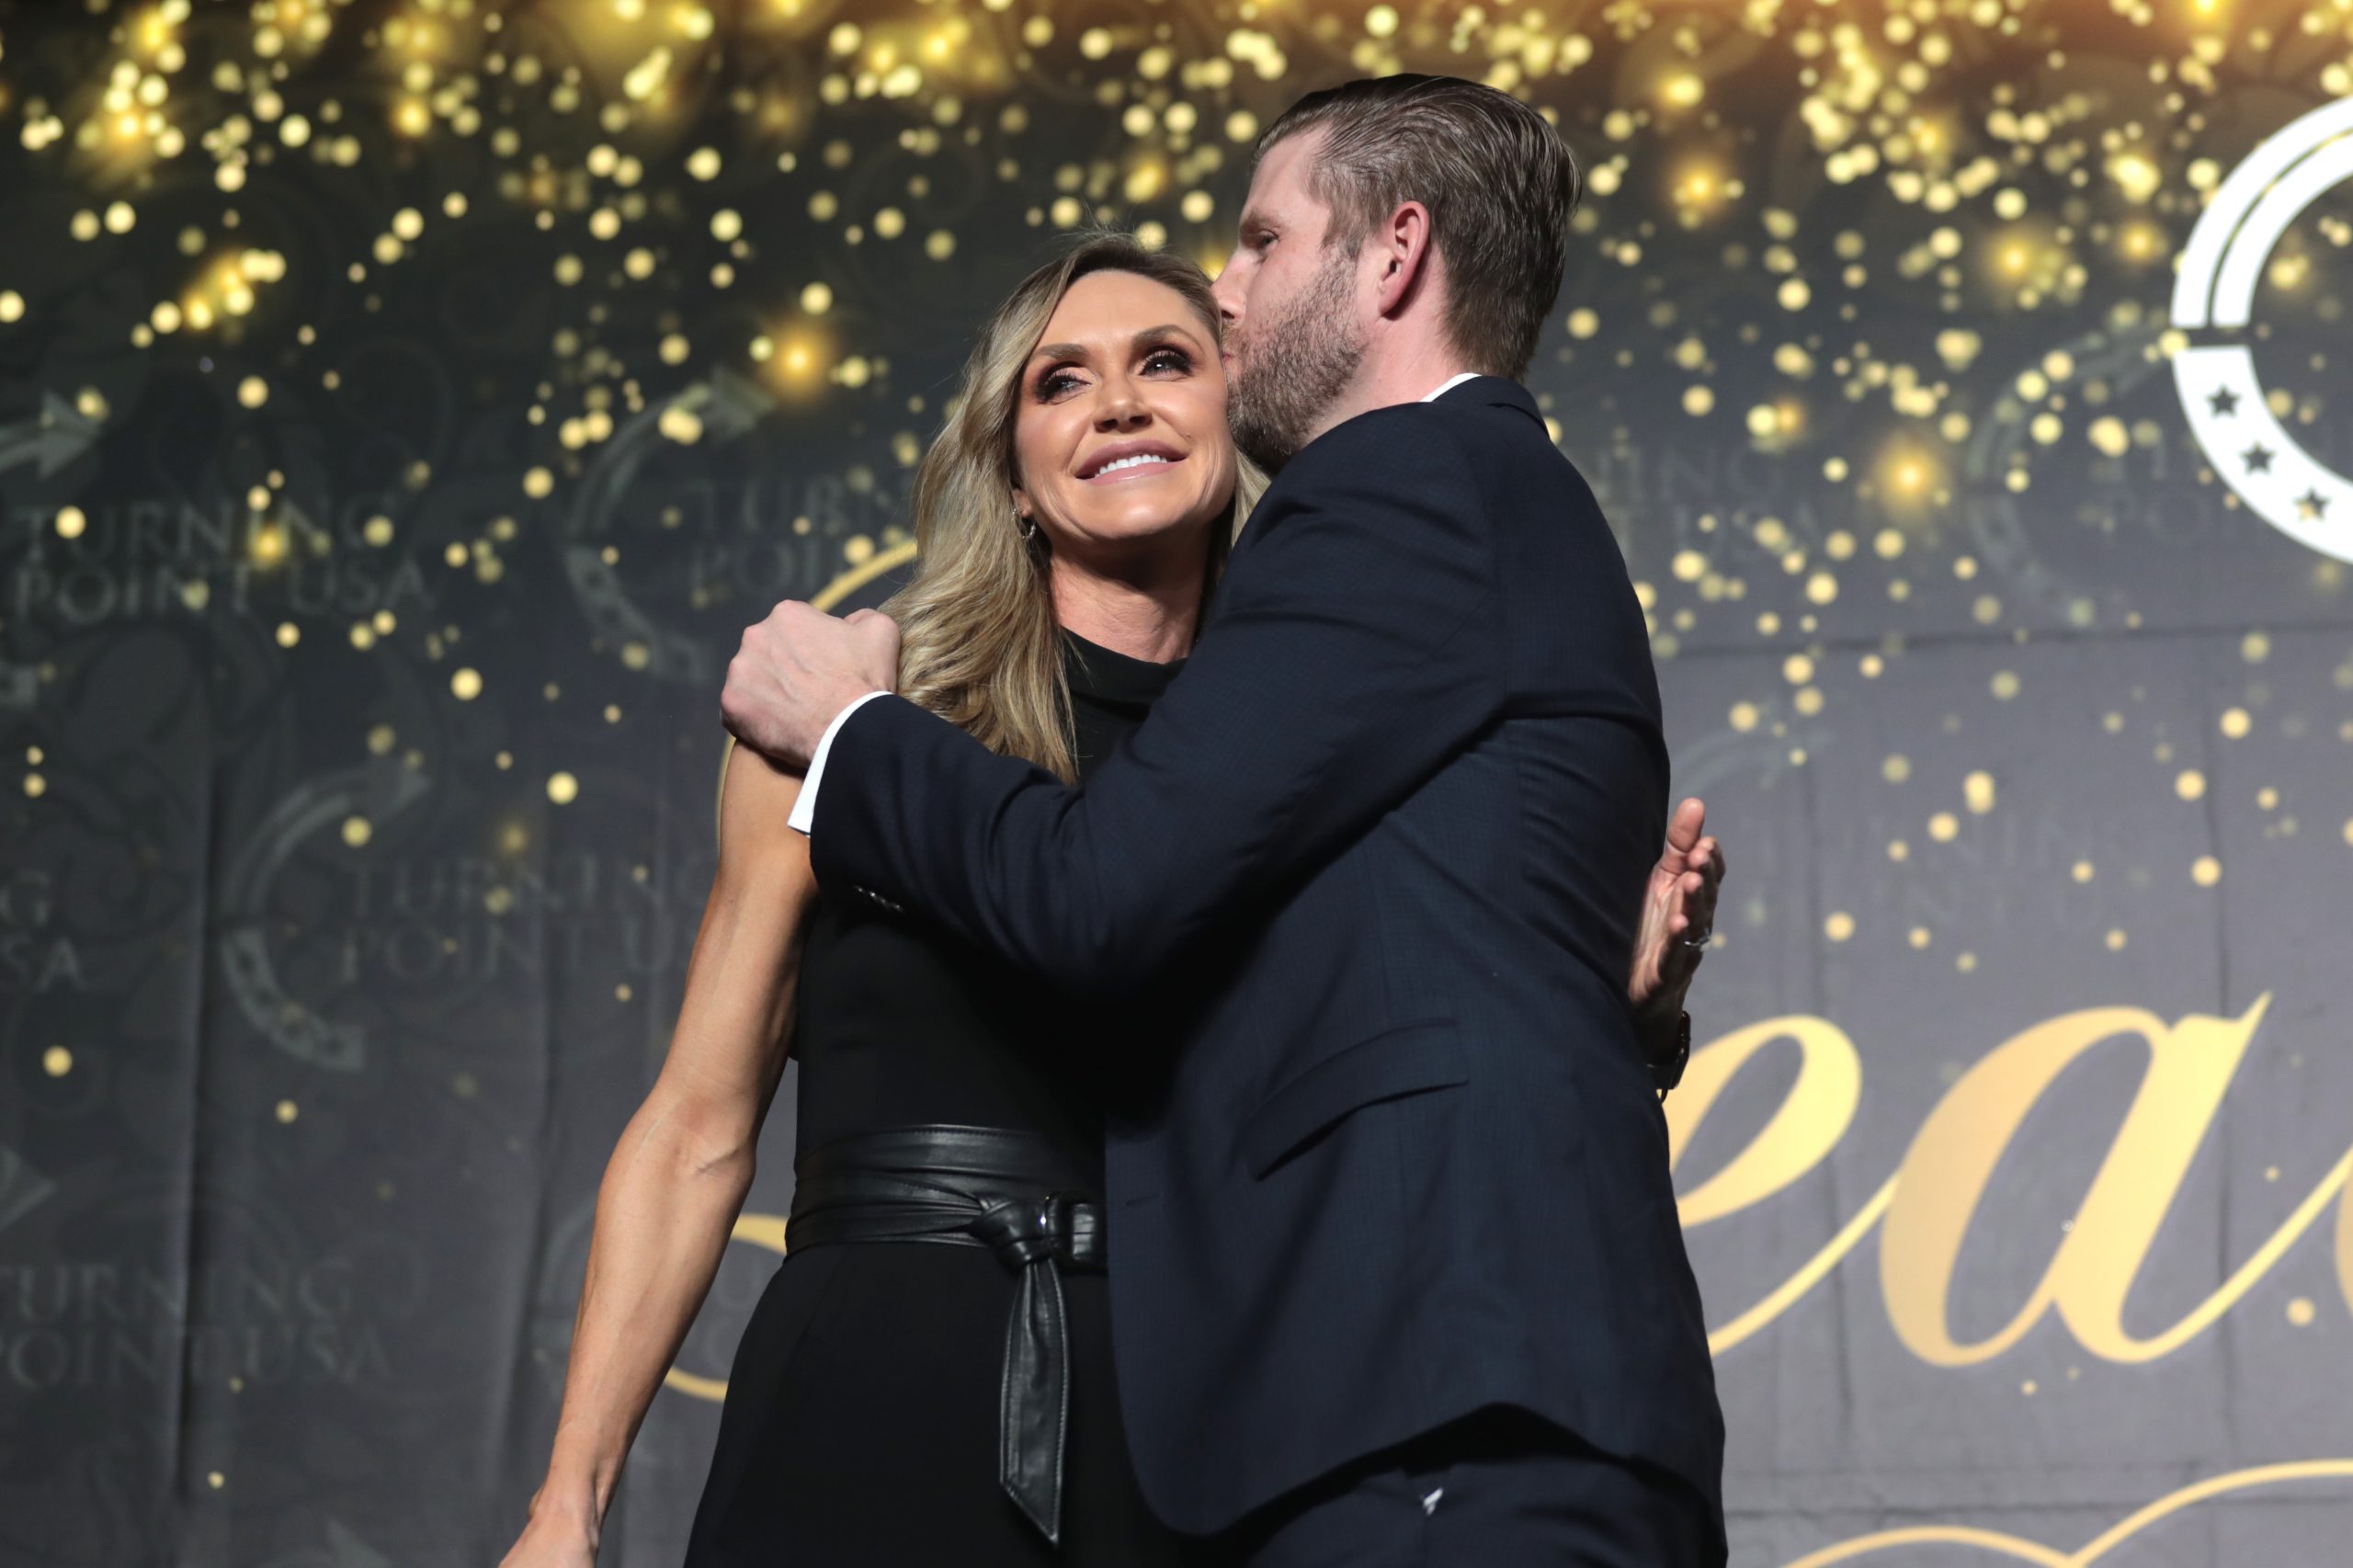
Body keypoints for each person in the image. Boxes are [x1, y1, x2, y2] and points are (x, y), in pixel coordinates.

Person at [501, 231, 1723, 1567]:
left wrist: (1623, 1017)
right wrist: (567, 1505)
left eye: (1165, 361)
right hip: (872, 1391)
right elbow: (696, 1127)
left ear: (1239, 420)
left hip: (1195, 1422)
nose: (1120, 403)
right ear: (1011, 471)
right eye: (1060, 383)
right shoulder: (854, 716)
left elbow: (1411, 1060)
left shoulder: (1319, 758)